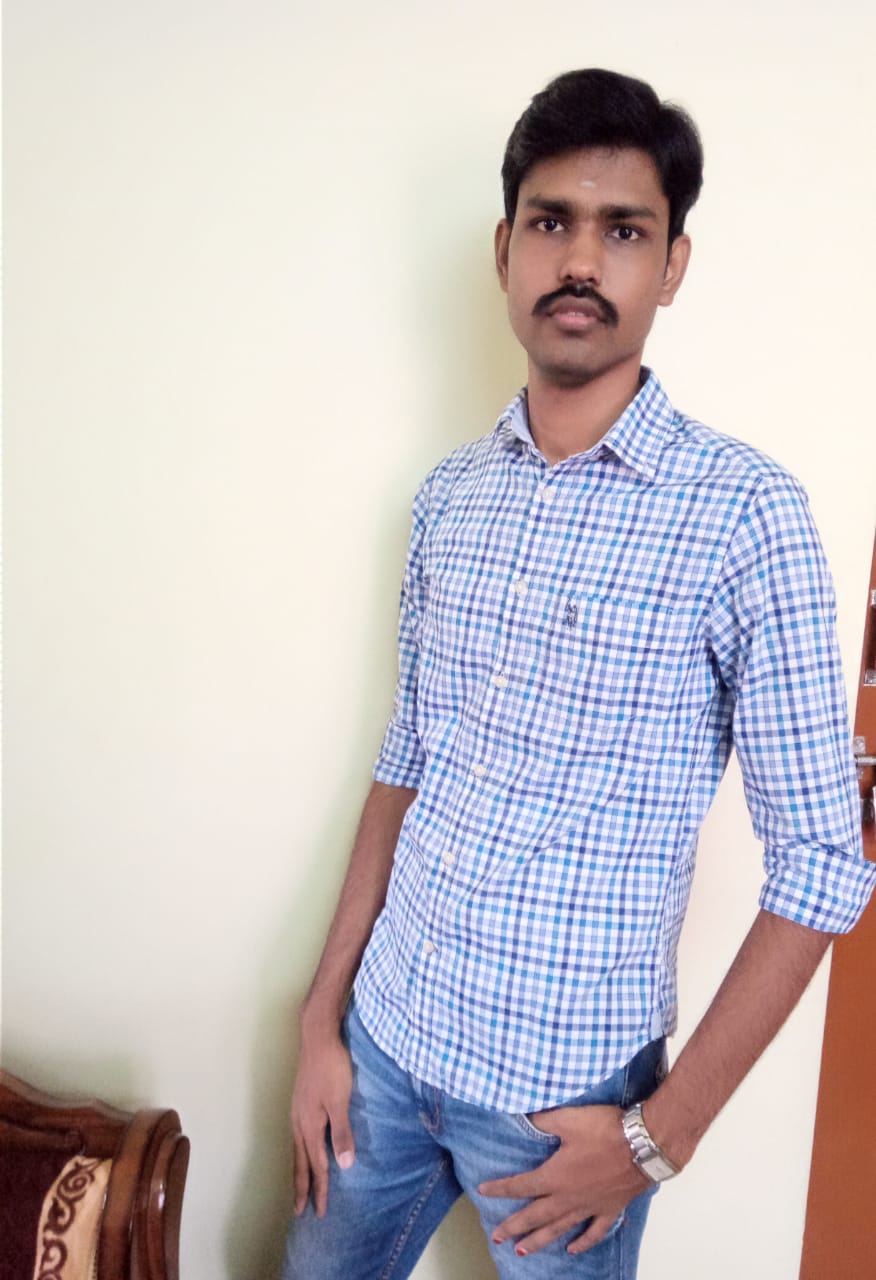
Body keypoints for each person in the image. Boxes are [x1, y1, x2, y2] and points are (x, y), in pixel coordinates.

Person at [279, 69, 875, 1279]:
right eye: (552, 220)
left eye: (626, 230)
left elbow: (823, 862)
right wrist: (318, 1017)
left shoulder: (743, 514)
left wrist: (659, 1138)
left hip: (566, 1109)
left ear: (674, 264)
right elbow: (407, 760)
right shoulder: (450, 497)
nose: (582, 261)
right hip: (384, 1044)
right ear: (505, 249)